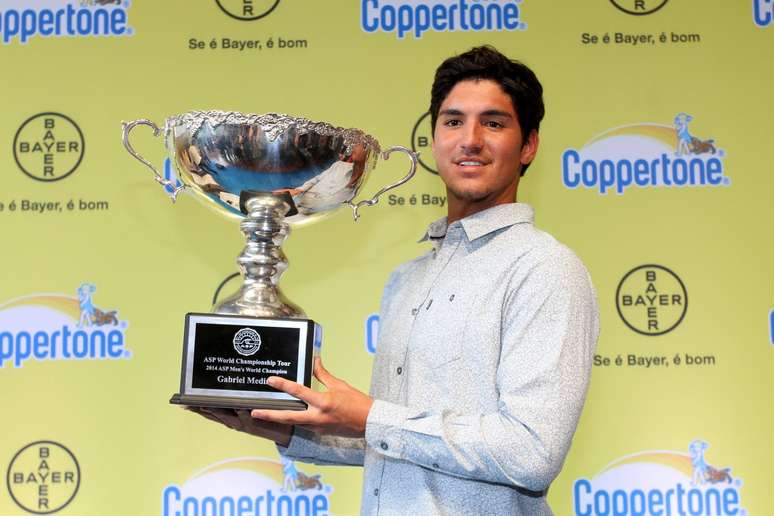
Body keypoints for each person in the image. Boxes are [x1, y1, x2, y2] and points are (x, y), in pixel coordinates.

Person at [194, 45, 599, 515]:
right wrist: (288, 428)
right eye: (452, 121)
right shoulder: (407, 280)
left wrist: (370, 416)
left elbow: (531, 451)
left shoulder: (545, 268)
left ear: (528, 144)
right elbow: (397, 444)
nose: (470, 139)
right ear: (433, 139)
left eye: (493, 122)